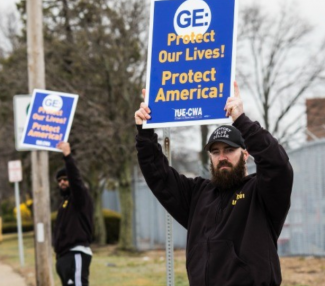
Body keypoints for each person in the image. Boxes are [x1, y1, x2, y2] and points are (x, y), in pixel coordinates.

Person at [134, 82, 293, 286]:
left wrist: (241, 120)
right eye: (216, 152)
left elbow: (277, 164)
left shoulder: (261, 193)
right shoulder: (198, 195)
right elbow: (159, 176)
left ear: (245, 155)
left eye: (229, 150)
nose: (222, 157)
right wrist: (144, 132)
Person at [53, 141, 94, 286]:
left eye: (65, 179)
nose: (62, 182)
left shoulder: (80, 198)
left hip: (76, 254)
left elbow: (76, 180)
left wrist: (67, 156)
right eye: (59, 180)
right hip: (64, 257)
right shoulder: (65, 203)